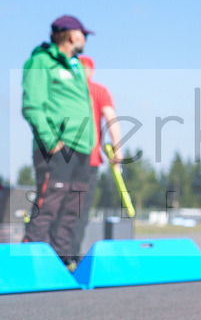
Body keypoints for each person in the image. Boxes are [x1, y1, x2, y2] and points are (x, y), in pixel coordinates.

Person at [21, 15, 97, 270]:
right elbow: (32, 105)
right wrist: (51, 141)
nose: (86, 39)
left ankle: (62, 261)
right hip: (57, 147)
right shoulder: (41, 61)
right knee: (49, 204)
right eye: (83, 34)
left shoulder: (75, 66)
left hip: (82, 147)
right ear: (72, 35)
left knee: (73, 207)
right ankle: (31, 260)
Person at [68, 55, 124, 255]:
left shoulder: (66, 89)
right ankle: (70, 258)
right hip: (88, 160)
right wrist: (117, 149)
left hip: (63, 159)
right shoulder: (99, 91)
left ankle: (54, 257)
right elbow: (111, 119)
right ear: (91, 71)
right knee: (79, 212)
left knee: (58, 210)